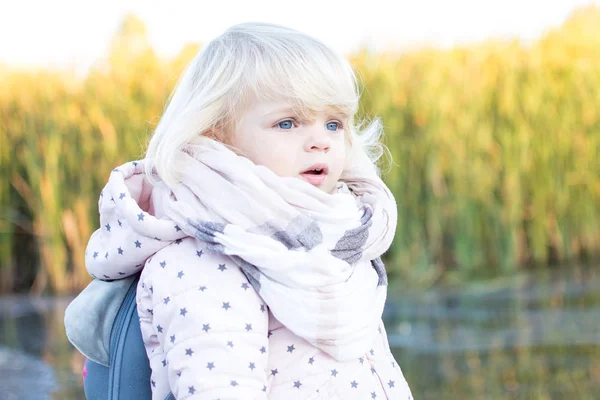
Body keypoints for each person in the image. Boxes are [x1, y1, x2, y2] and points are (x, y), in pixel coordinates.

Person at [84, 22, 413, 399]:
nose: (320, 141)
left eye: (334, 123)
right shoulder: (204, 260)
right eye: (287, 122)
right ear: (217, 135)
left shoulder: (328, 243)